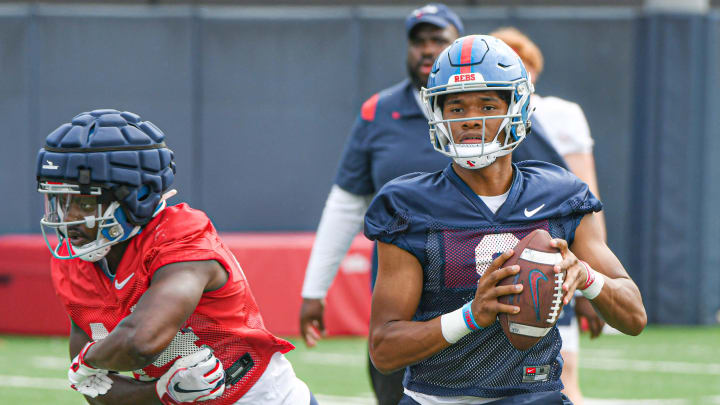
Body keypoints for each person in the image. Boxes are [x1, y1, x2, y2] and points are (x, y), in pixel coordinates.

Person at [365, 35, 646, 405]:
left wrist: (587, 278)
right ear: (437, 114)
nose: (470, 120)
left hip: (536, 396)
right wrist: (470, 316)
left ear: (518, 107)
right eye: (457, 108)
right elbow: (384, 350)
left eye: (486, 105)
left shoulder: (561, 196)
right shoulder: (409, 206)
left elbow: (634, 315)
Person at [37, 109, 316, 405]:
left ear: (138, 195)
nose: (68, 217)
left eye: (83, 202)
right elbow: (96, 392)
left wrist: (86, 361)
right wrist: (161, 394)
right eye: (59, 201)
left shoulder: (181, 237)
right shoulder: (73, 261)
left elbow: (140, 341)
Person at [299, 4, 463, 404]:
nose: (427, 50)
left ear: (459, 47)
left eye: (438, 41)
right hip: (396, 302)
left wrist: (588, 286)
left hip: (471, 290)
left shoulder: (489, 109)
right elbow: (345, 205)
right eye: (419, 41)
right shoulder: (378, 112)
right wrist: (314, 290)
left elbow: (553, 190)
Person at [491, 26, 607, 405]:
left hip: (548, 257)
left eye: (522, 64)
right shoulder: (478, 118)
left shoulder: (559, 114)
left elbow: (587, 199)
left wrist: (594, 279)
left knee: (561, 380)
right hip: (486, 258)